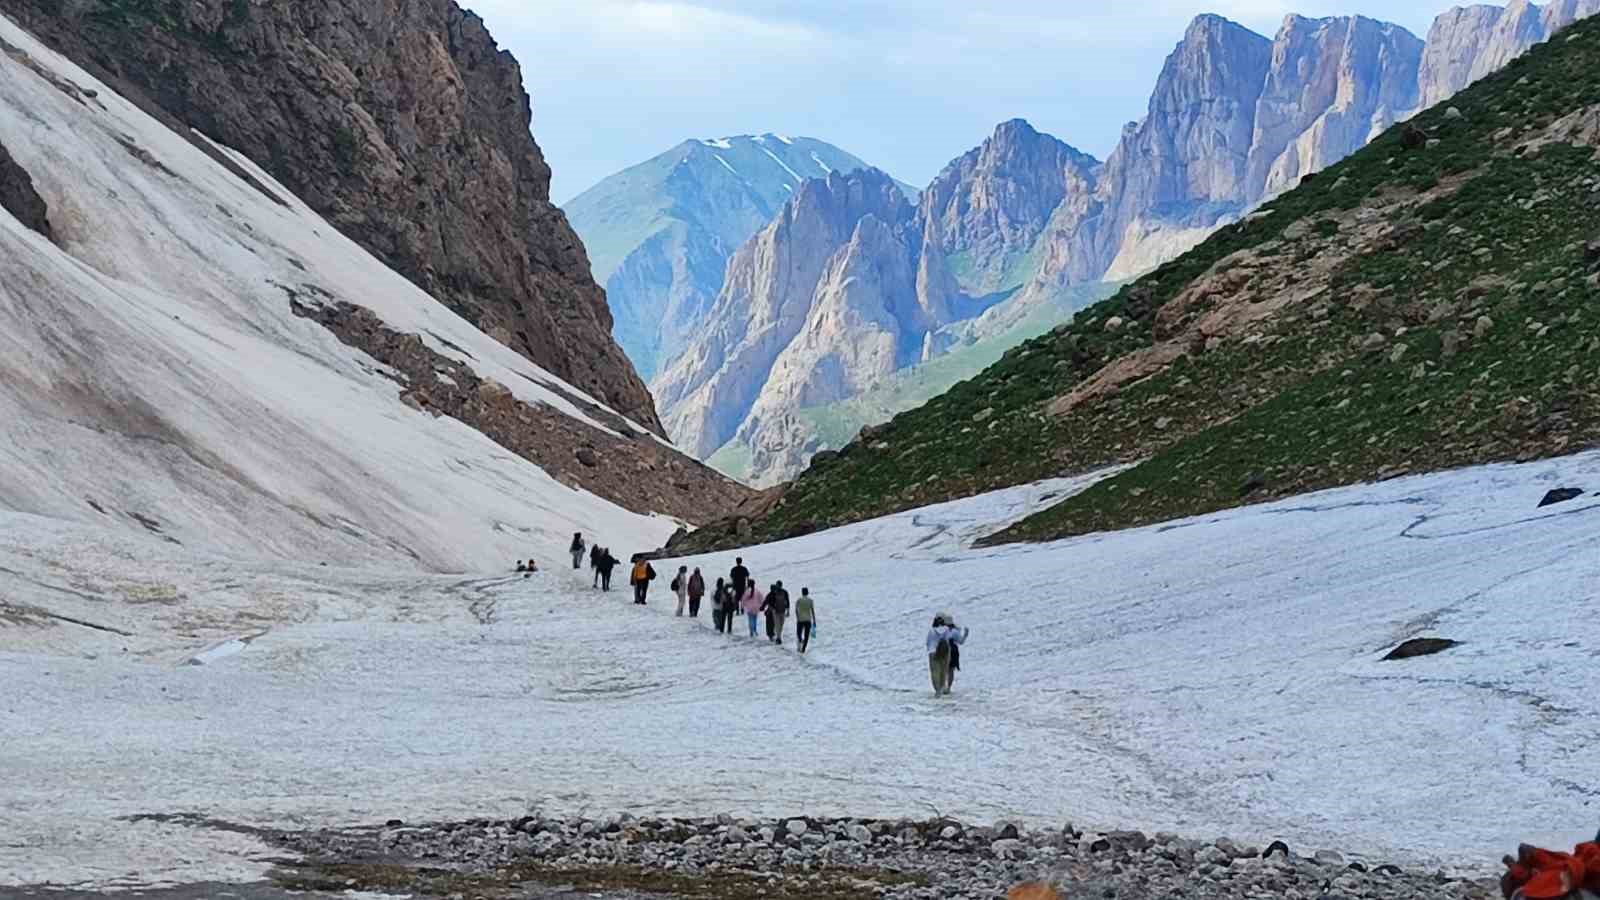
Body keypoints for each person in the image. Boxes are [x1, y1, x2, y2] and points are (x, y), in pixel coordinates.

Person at [926, 613, 970, 696]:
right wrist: (964, 634)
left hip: (937, 651)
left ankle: (939, 689)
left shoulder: (933, 630)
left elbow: (929, 642)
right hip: (948, 651)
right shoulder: (952, 630)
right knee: (947, 670)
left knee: (937, 670)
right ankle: (947, 688)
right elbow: (960, 641)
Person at [762, 580, 790, 645]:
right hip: (782, 610)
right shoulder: (784, 592)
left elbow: (768, 600)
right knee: (780, 625)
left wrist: (764, 607)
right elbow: (787, 602)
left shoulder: (775, 592)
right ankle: (778, 637)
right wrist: (788, 610)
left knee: (778, 625)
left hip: (776, 611)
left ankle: (778, 636)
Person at [795, 587, 816, 653]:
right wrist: (814, 620)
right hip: (808, 620)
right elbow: (812, 611)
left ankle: (801, 641)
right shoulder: (810, 600)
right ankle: (803, 649)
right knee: (806, 635)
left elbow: (796, 610)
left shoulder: (799, 600)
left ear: (802, 592)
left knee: (799, 633)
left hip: (800, 619)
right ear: (807, 592)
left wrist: (797, 617)